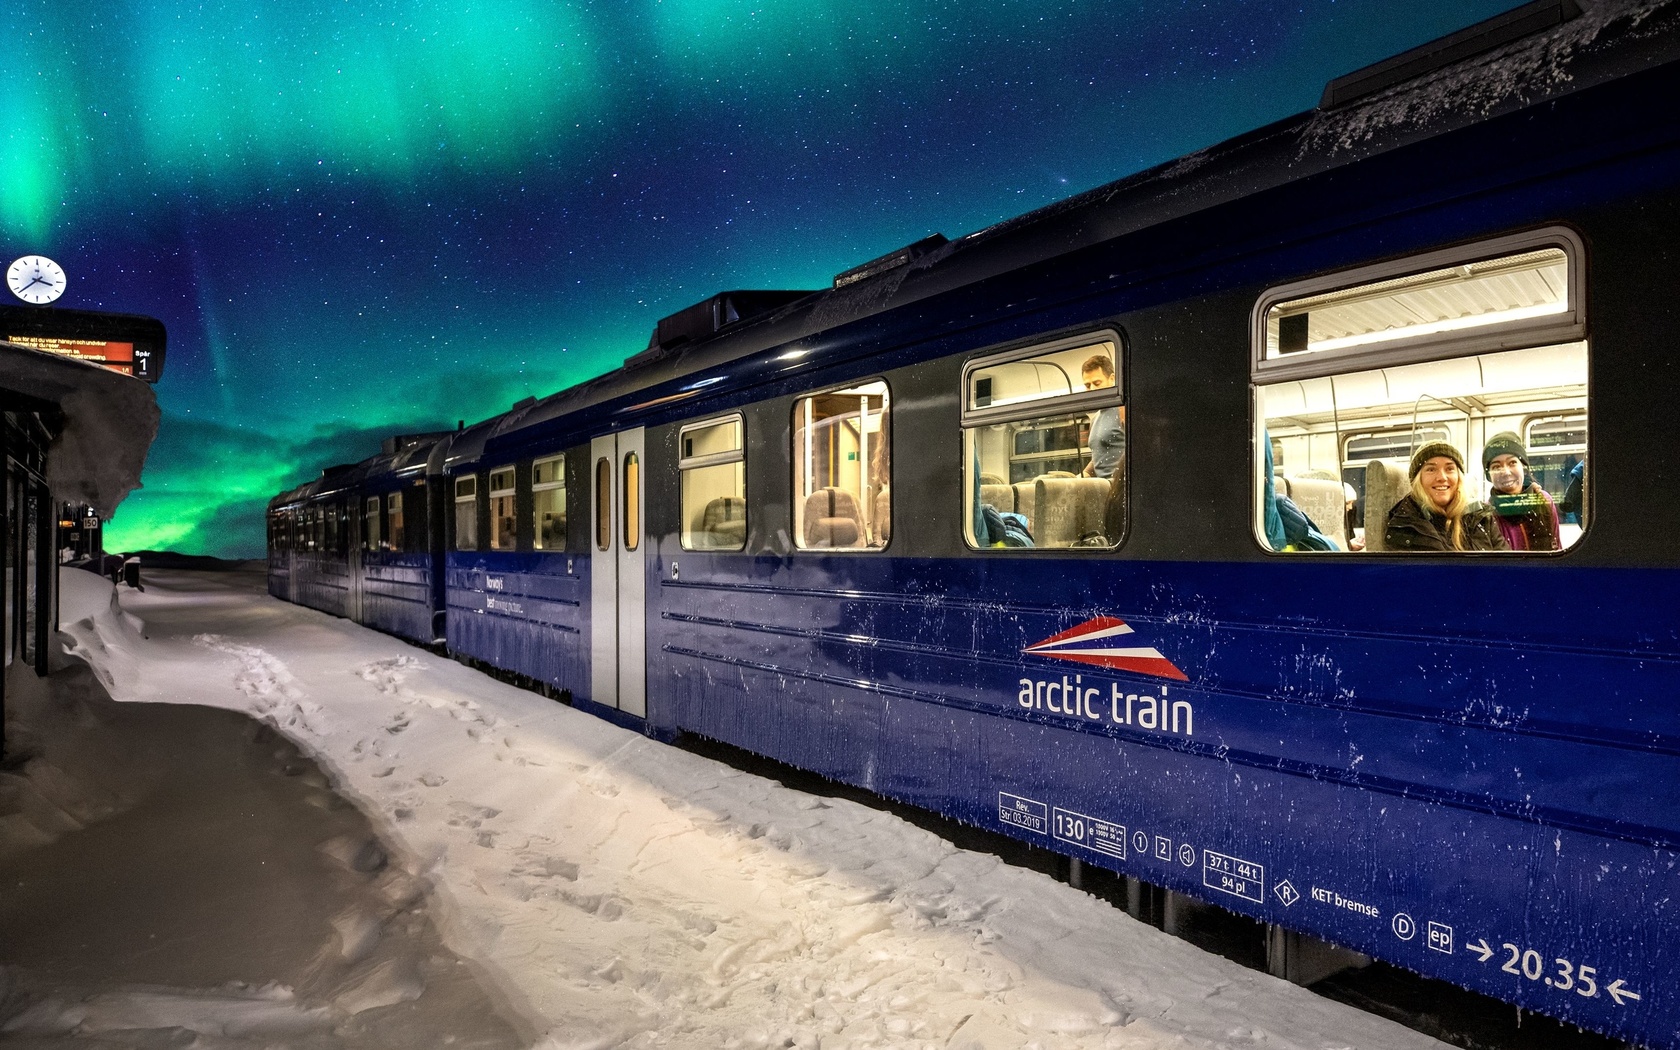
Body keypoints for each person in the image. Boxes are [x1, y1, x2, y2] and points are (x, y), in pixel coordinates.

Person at [1384, 441, 1508, 552]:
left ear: (1459, 477)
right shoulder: (1405, 525)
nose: (1442, 477)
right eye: (1431, 469)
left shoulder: (1481, 517)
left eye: (1449, 469)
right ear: (1418, 480)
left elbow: (1507, 568)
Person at [1482, 431, 1560, 551]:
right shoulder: (1486, 516)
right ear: (1489, 475)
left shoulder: (1544, 501)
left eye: (1512, 463)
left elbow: (1556, 549)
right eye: (1496, 467)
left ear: (1523, 467)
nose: (1506, 472)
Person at [1079, 354, 1125, 480]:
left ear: (1112, 379)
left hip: (1120, 490)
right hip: (1102, 491)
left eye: (1097, 383)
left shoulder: (1123, 410)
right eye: (1088, 386)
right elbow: (1099, 457)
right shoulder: (1095, 418)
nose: (1092, 389)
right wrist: (1082, 476)